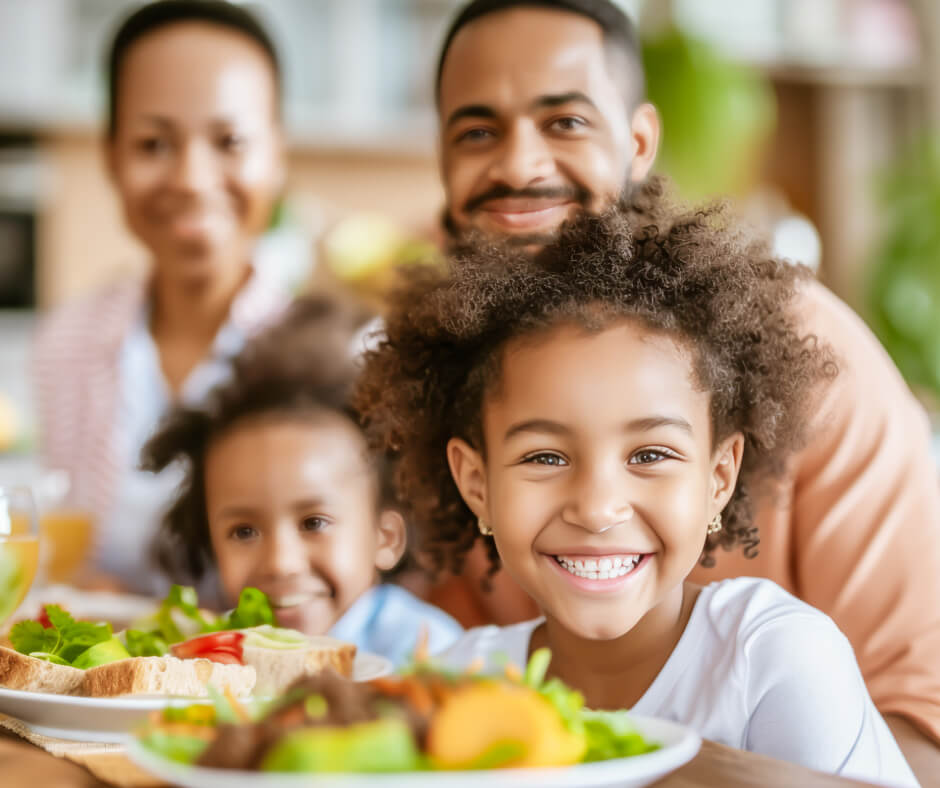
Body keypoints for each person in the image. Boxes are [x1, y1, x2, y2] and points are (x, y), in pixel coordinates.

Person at [425, 0, 940, 775]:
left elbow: (924, 726)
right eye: (476, 131)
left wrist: (637, 764)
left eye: (563, 122)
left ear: (637, 141)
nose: (520, 165)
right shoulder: (433, 376)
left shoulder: (803, 355)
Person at [355, 204, 917, 785]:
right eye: (545, 457)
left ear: (718, 478)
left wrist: (678, 762)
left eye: (650, 456)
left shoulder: (771, 656)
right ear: (478, 484)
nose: (597, 509)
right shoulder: (455, 686)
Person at [32, 1, 290, 595]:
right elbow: (63, 551)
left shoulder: (329, 357)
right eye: (153, 144)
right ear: (111, 154)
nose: (192, 179)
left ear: (276, 154)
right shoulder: (64, 344)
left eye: (229, 140)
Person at [142, 296, 462, 666]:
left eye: (314, 523)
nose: (280, 563)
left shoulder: (432, 656)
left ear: (385, 537)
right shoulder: (210, 657)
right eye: (243, 531)